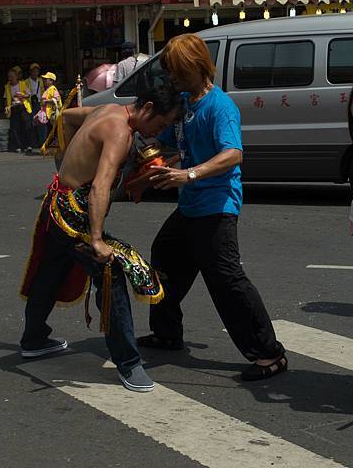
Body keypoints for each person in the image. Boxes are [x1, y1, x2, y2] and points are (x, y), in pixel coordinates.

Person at [137, 34, 287, 382]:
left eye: (176, 71)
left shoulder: (220, 107)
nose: (172, 78)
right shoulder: (186, 103)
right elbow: (176, 146)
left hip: (216, 207)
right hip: (190, 207)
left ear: (194, 66)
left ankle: (269, 354)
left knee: (227, 282)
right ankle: (167, 333)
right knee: (164, 259)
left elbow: (233, 154)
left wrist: (188, 174)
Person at [19, 85, 182, 393]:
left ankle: (34, 339)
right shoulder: (120, 132)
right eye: (159, 125)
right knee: (113, 273)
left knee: (51, 271)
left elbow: (66, 117)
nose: (157, 132)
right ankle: (129, 363)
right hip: (75, 217)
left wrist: (68, 162)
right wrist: (96, 239)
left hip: (58, 202)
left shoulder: (106, 110)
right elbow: (101, 186)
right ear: (147, 108)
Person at [4, 67, 33, 153]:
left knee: (27, 126)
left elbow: (29, 95)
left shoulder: (23, 84)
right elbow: (5, 98)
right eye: (9, 77)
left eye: (12, 76)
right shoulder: (7, 86)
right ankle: (18, 146)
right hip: (13, 108)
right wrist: (6, 107)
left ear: (16, 76)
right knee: (15, 128)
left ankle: (28, 145)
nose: (10, 78)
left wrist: (22, 96)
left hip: (22, 107)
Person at [24, 63, 46, 147]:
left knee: (41, 123)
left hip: (39, 104)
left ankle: (42, 142)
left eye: (37, 71)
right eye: (33, 71)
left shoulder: (41, 80)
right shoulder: (26, 82)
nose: (35, 73)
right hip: (30, 105)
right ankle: (33, 143)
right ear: (30, 72)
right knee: (31, 124)